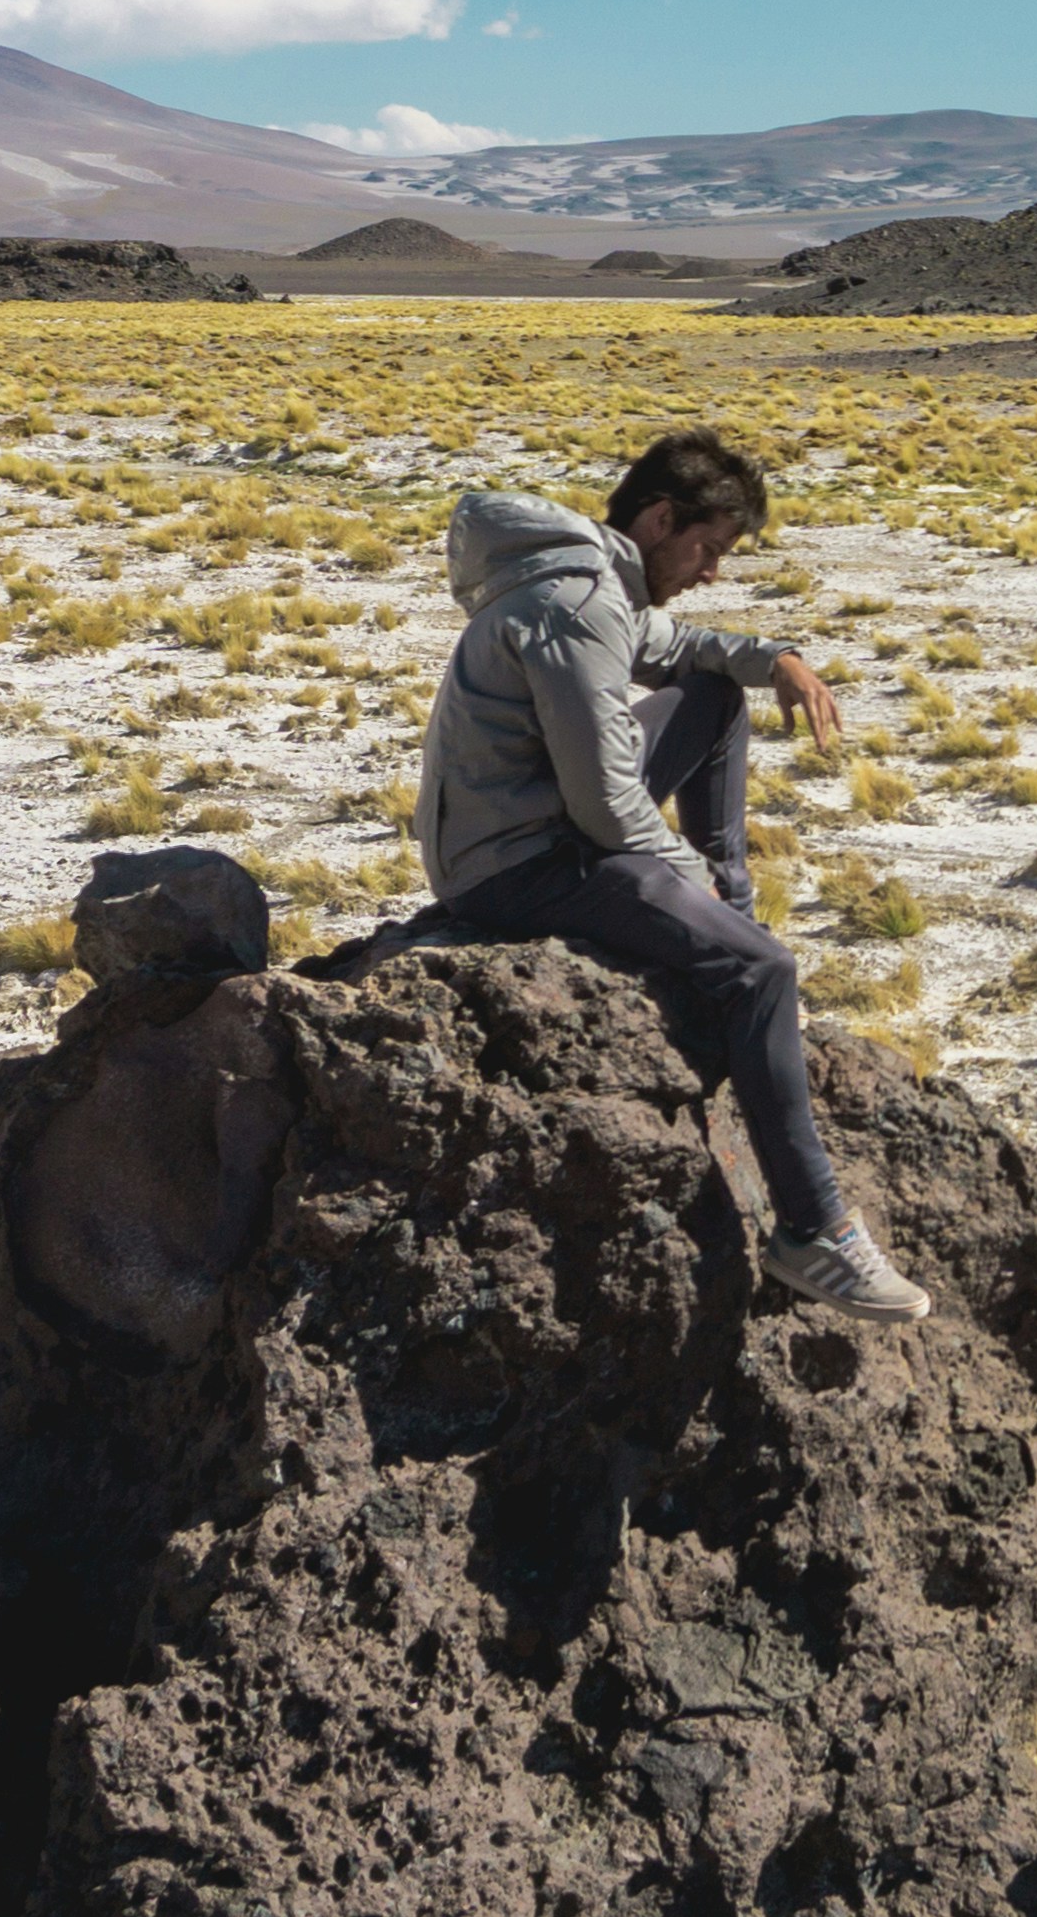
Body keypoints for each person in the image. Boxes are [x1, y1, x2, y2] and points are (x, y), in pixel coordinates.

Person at [378, 426, 931, 1321]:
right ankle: (814, 1235)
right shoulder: (576, 602)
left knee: (716, 699)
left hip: (539, 826)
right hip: (517, 866)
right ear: (661, 518)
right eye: (707, 548)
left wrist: (774, 656)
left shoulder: (595, 581)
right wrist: (689, 878)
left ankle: (728, 909)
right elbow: (604, 807)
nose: (712, 570)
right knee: (760, 970)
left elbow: (681, 650)